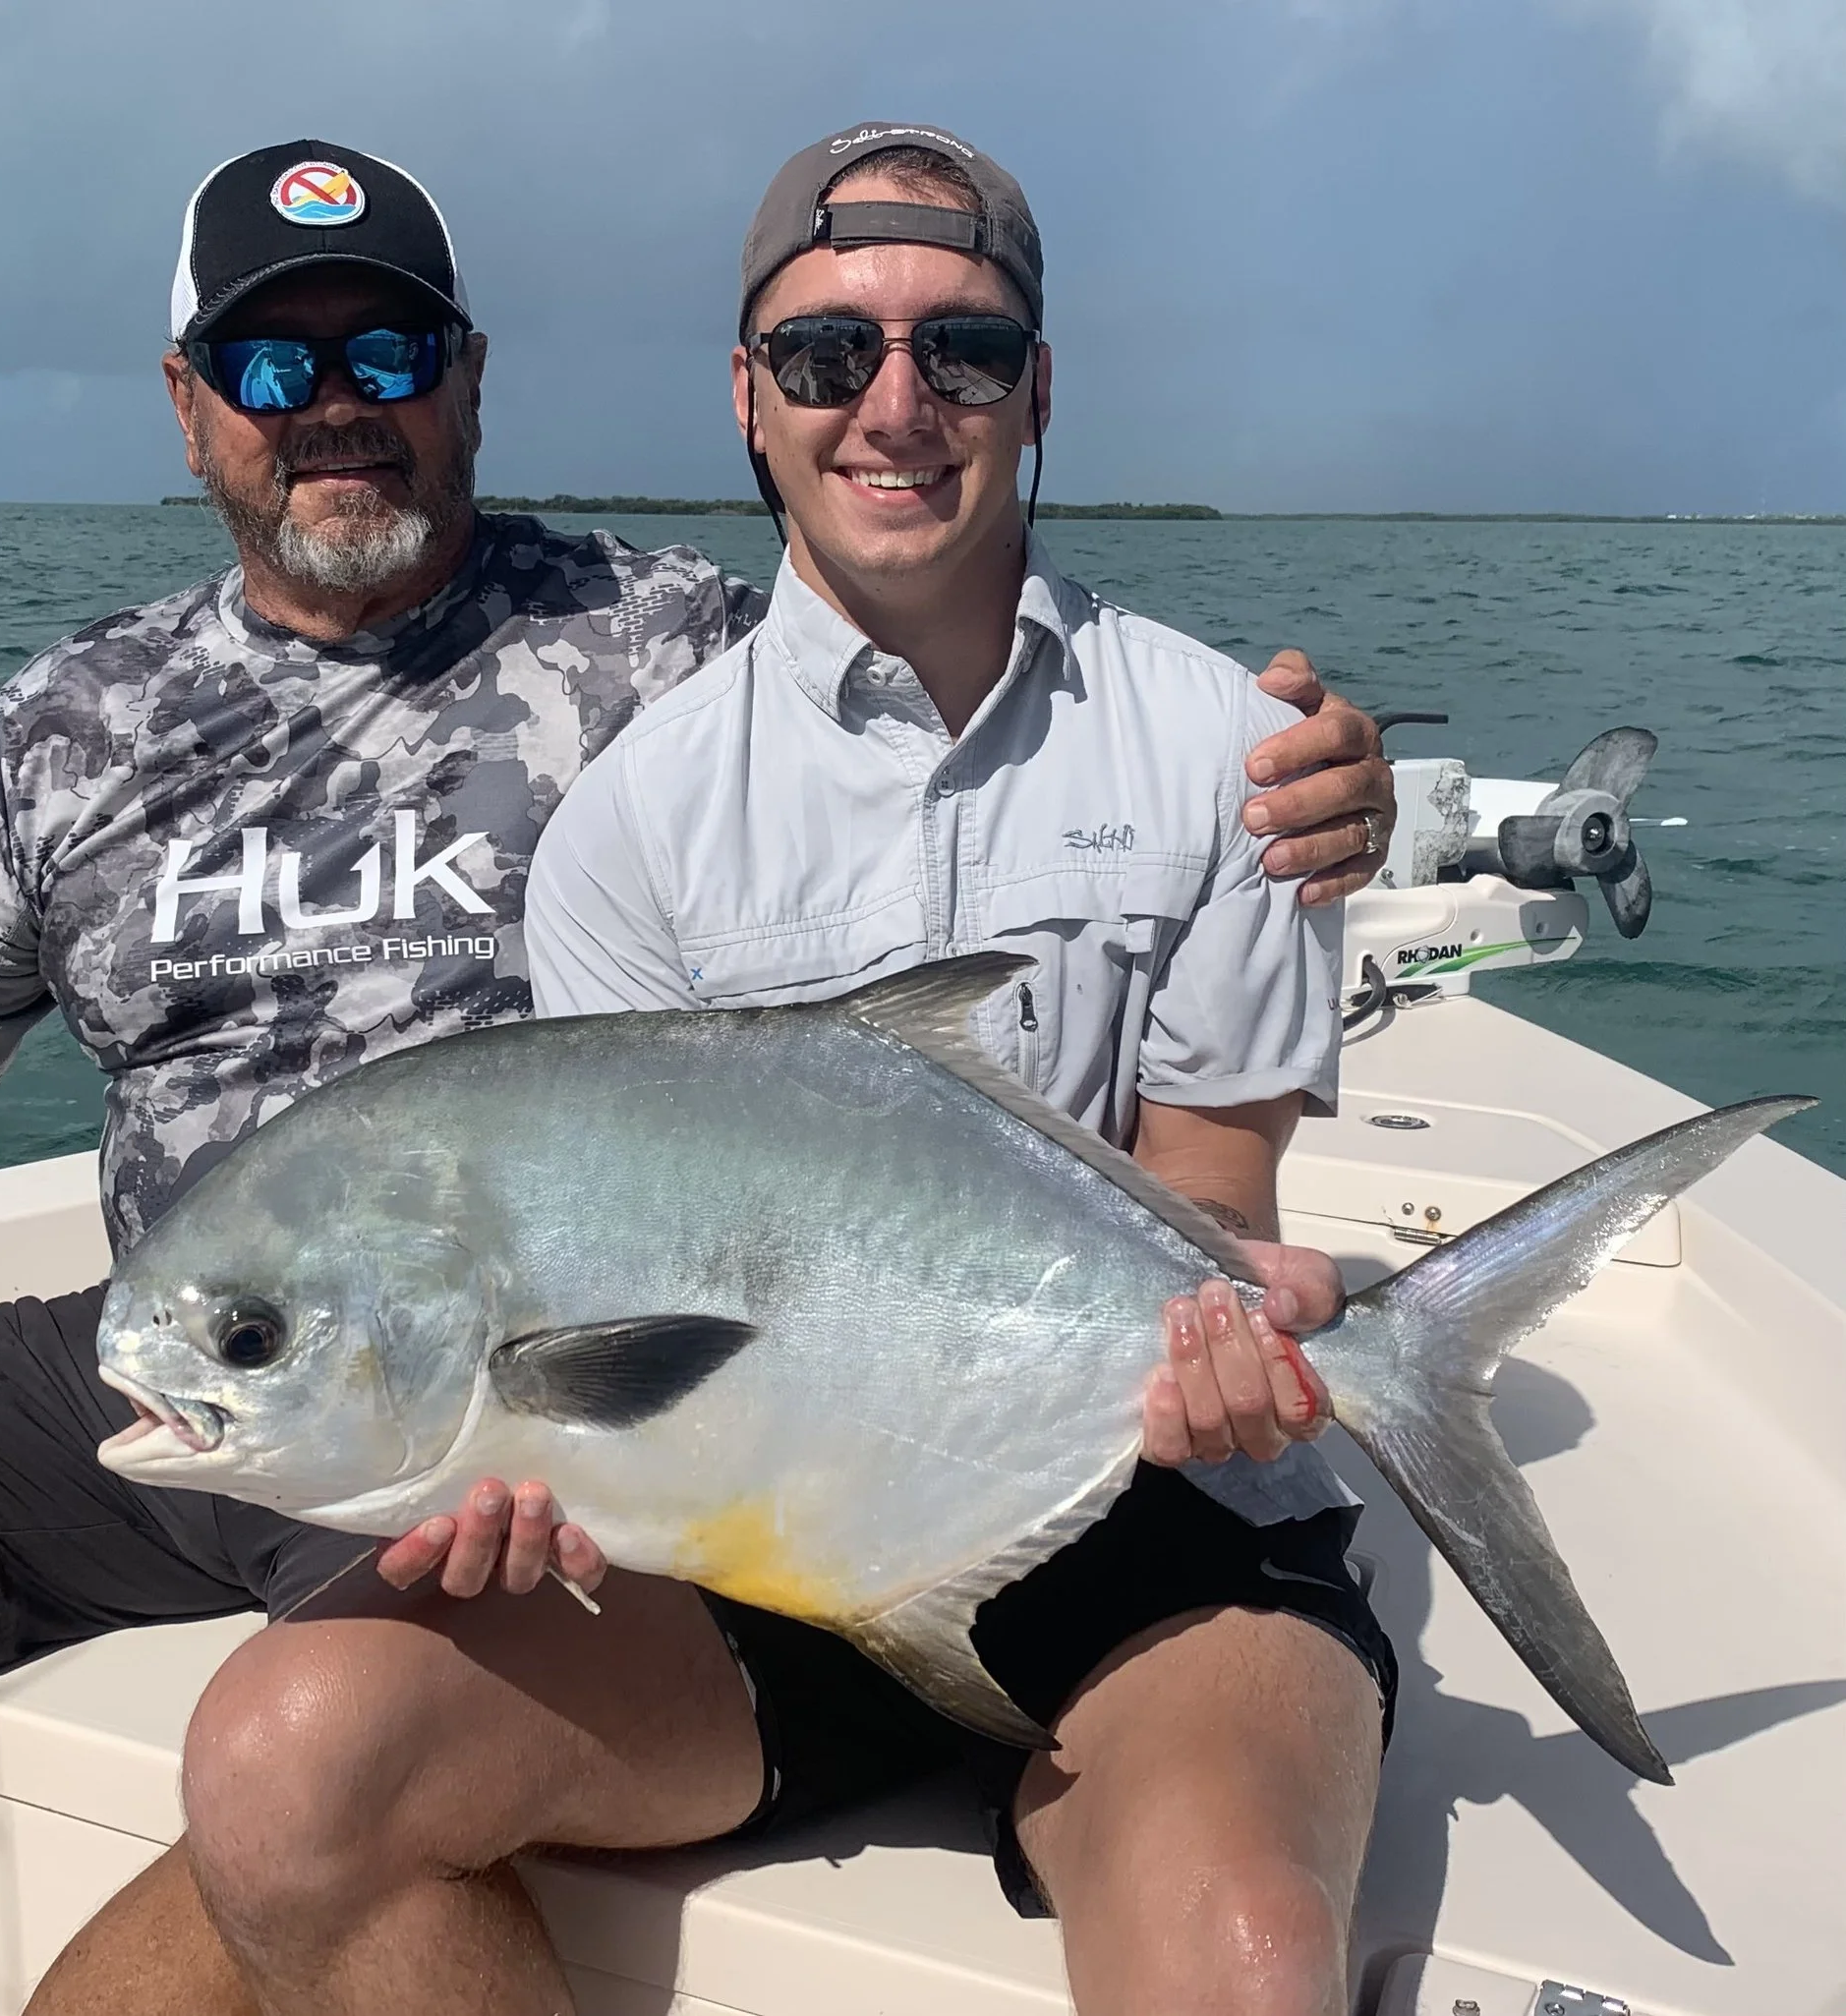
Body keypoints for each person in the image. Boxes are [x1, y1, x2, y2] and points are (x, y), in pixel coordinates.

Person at [0, 137, 1394, 2016]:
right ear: (185, 404)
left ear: (468, 379)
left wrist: (1306, 779)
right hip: (211, 1344)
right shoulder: (73, 723)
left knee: (281, 1812)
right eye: (270, 361)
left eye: (388, 356)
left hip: (489, 1386)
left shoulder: (652, 646)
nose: (334, 407)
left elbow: (932, 670)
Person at [517, 124, 1389, 2012]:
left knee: (1244, 1957)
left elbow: (1214, 1204)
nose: (894, 404)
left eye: (963, 350)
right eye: (830, 355)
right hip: (748, 1543)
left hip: (1140, 1516)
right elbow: (617, 1309)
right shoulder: (630, 833)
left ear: (1040, 387)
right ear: (751, 402)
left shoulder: (1240, 754)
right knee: (290, 1762)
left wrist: (1223, 1344)